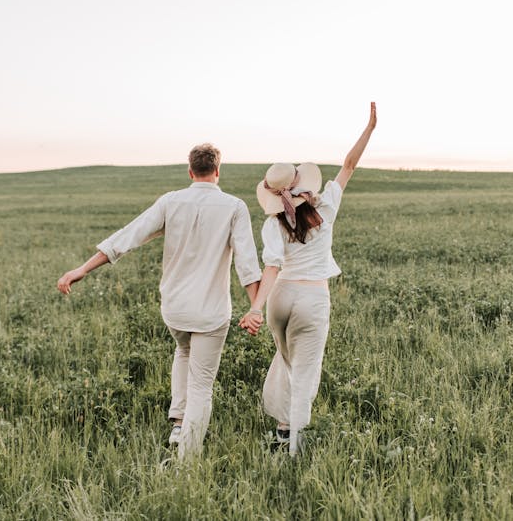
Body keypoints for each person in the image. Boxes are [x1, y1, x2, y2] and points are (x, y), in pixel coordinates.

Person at [58, 144, 262, 460]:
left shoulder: (171, 201)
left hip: (175, 309)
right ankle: (187, 461)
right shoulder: (234, 207)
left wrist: (82, 268)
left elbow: (128, 236)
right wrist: (254, 308)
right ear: (218, 171)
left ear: (190, 171)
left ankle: (179, 424)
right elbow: (247, 263)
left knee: (183, 350)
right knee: (201, 385)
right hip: (210, 312)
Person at [239, 102, 377, 456]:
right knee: (305, 372)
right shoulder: (326, 207)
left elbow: (271, 265)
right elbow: (348, 165)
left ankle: (283, 432)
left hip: (280, 300)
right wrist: (370, 128)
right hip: (313, 299)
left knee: (287, 363)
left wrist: (256, 307)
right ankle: (293, 450)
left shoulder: (272, 223)